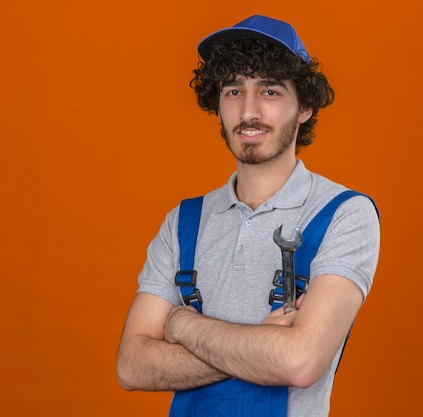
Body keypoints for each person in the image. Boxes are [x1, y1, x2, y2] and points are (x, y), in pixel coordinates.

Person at [117, 14, 380, 417]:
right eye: (234, 90)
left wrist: (184, 327)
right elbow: (132, 364)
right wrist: (261, 346)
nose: (249, 111)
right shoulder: (183, 222)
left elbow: (300, 362)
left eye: (270, 92)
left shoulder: (344, 214)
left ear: (305, 106)